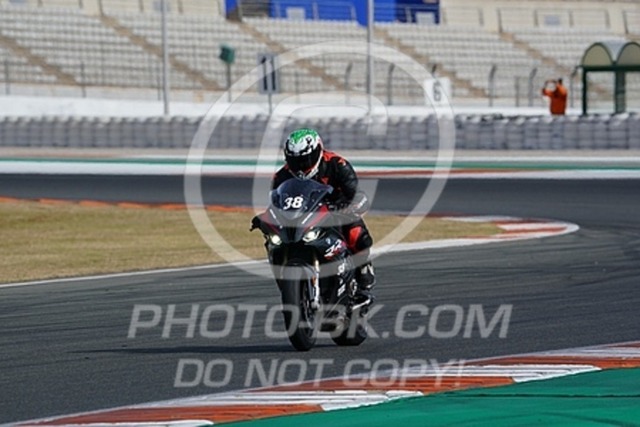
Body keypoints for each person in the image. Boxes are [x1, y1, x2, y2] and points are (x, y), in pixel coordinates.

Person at [270, 128, 375, 301]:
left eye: (305, 160)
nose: (301, 166)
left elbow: (356, 194)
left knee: (357, 235)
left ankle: (363, 276)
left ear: (318, 151)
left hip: (335, 213)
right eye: (295, 161)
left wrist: (346, 206)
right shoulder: (281, 175)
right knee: (273, 242)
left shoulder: (337, 164)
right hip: (301, 220)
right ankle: (288, 283)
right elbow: (275, 202)